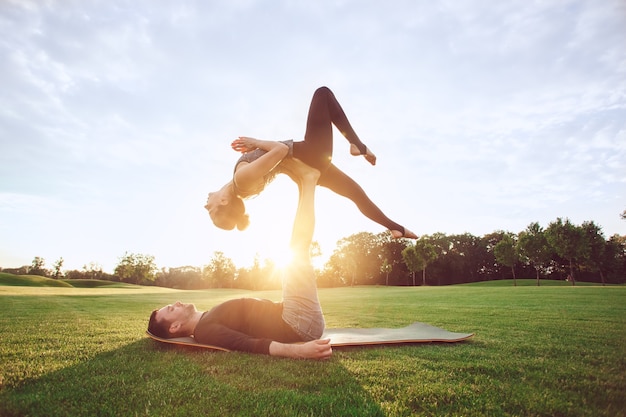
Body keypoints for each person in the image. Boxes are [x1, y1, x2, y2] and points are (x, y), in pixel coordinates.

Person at [148, 162, 332, 359]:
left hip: (292, 314)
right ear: (175, 326)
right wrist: (298, 351)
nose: (176, 303)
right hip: (298, 321)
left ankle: (306, 181)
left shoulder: (207, 319)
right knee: (297, 249)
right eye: (171, 309)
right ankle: (308, 180)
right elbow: (247, 344)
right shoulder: (206, 331)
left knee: (295, 250)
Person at [204, 86, 417, 239]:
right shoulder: (241, 179)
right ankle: (357, 145)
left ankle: (395, 228)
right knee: (322, 94)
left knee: (355, 193)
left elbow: (278, 161)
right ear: (224, 202)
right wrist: (256, 141)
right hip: (310, 154)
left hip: (306, 164)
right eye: (211, 211)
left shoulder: (242, 185)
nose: (206, 205)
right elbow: (282, 150)